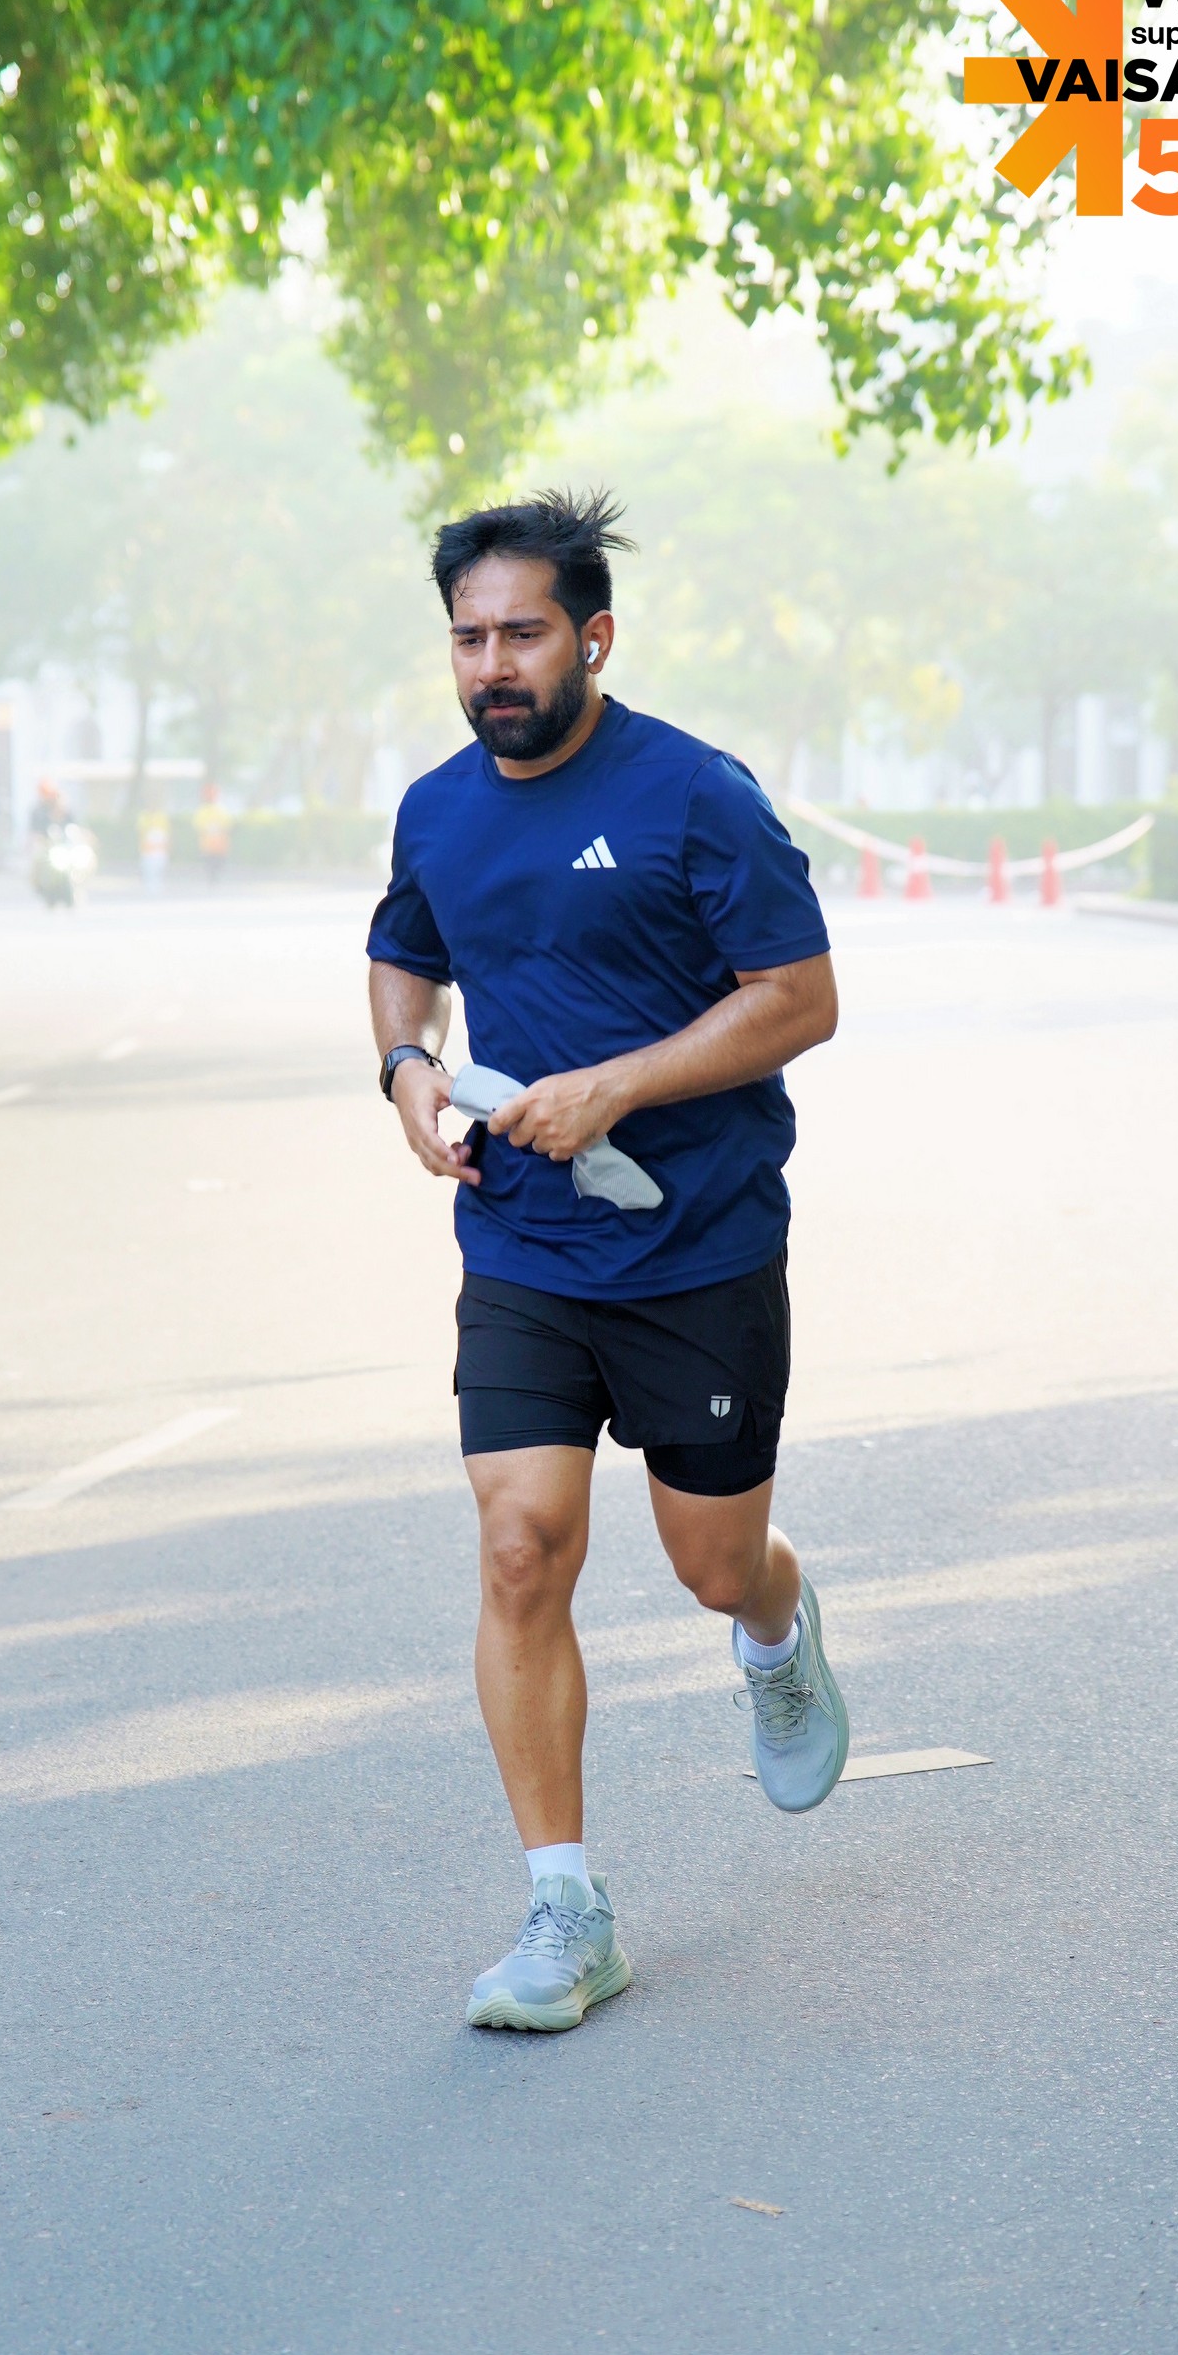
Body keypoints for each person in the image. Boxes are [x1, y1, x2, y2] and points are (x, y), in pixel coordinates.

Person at [366, 489, 844, 2034]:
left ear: (595, 638)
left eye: (521, 634)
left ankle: (772, 1627)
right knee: (520, 1545)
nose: (491, 665)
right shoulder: (437, 807)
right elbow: (403, 955)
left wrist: (618, 1086)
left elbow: (800, 996)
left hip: (696, 1238)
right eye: (468, 638)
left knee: (709, 1560)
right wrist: (405, 1069)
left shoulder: (696, 794)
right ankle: (566, 1908)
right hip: (523, 1235)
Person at [195, 784, 231, 884]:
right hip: (207, 844)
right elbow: (199, 826)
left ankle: (215, 879)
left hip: (220, 844)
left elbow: (227, 825)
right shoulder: (203, 811)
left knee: (218, 864)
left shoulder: (221, 810)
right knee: (209, 863)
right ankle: (212, 879)